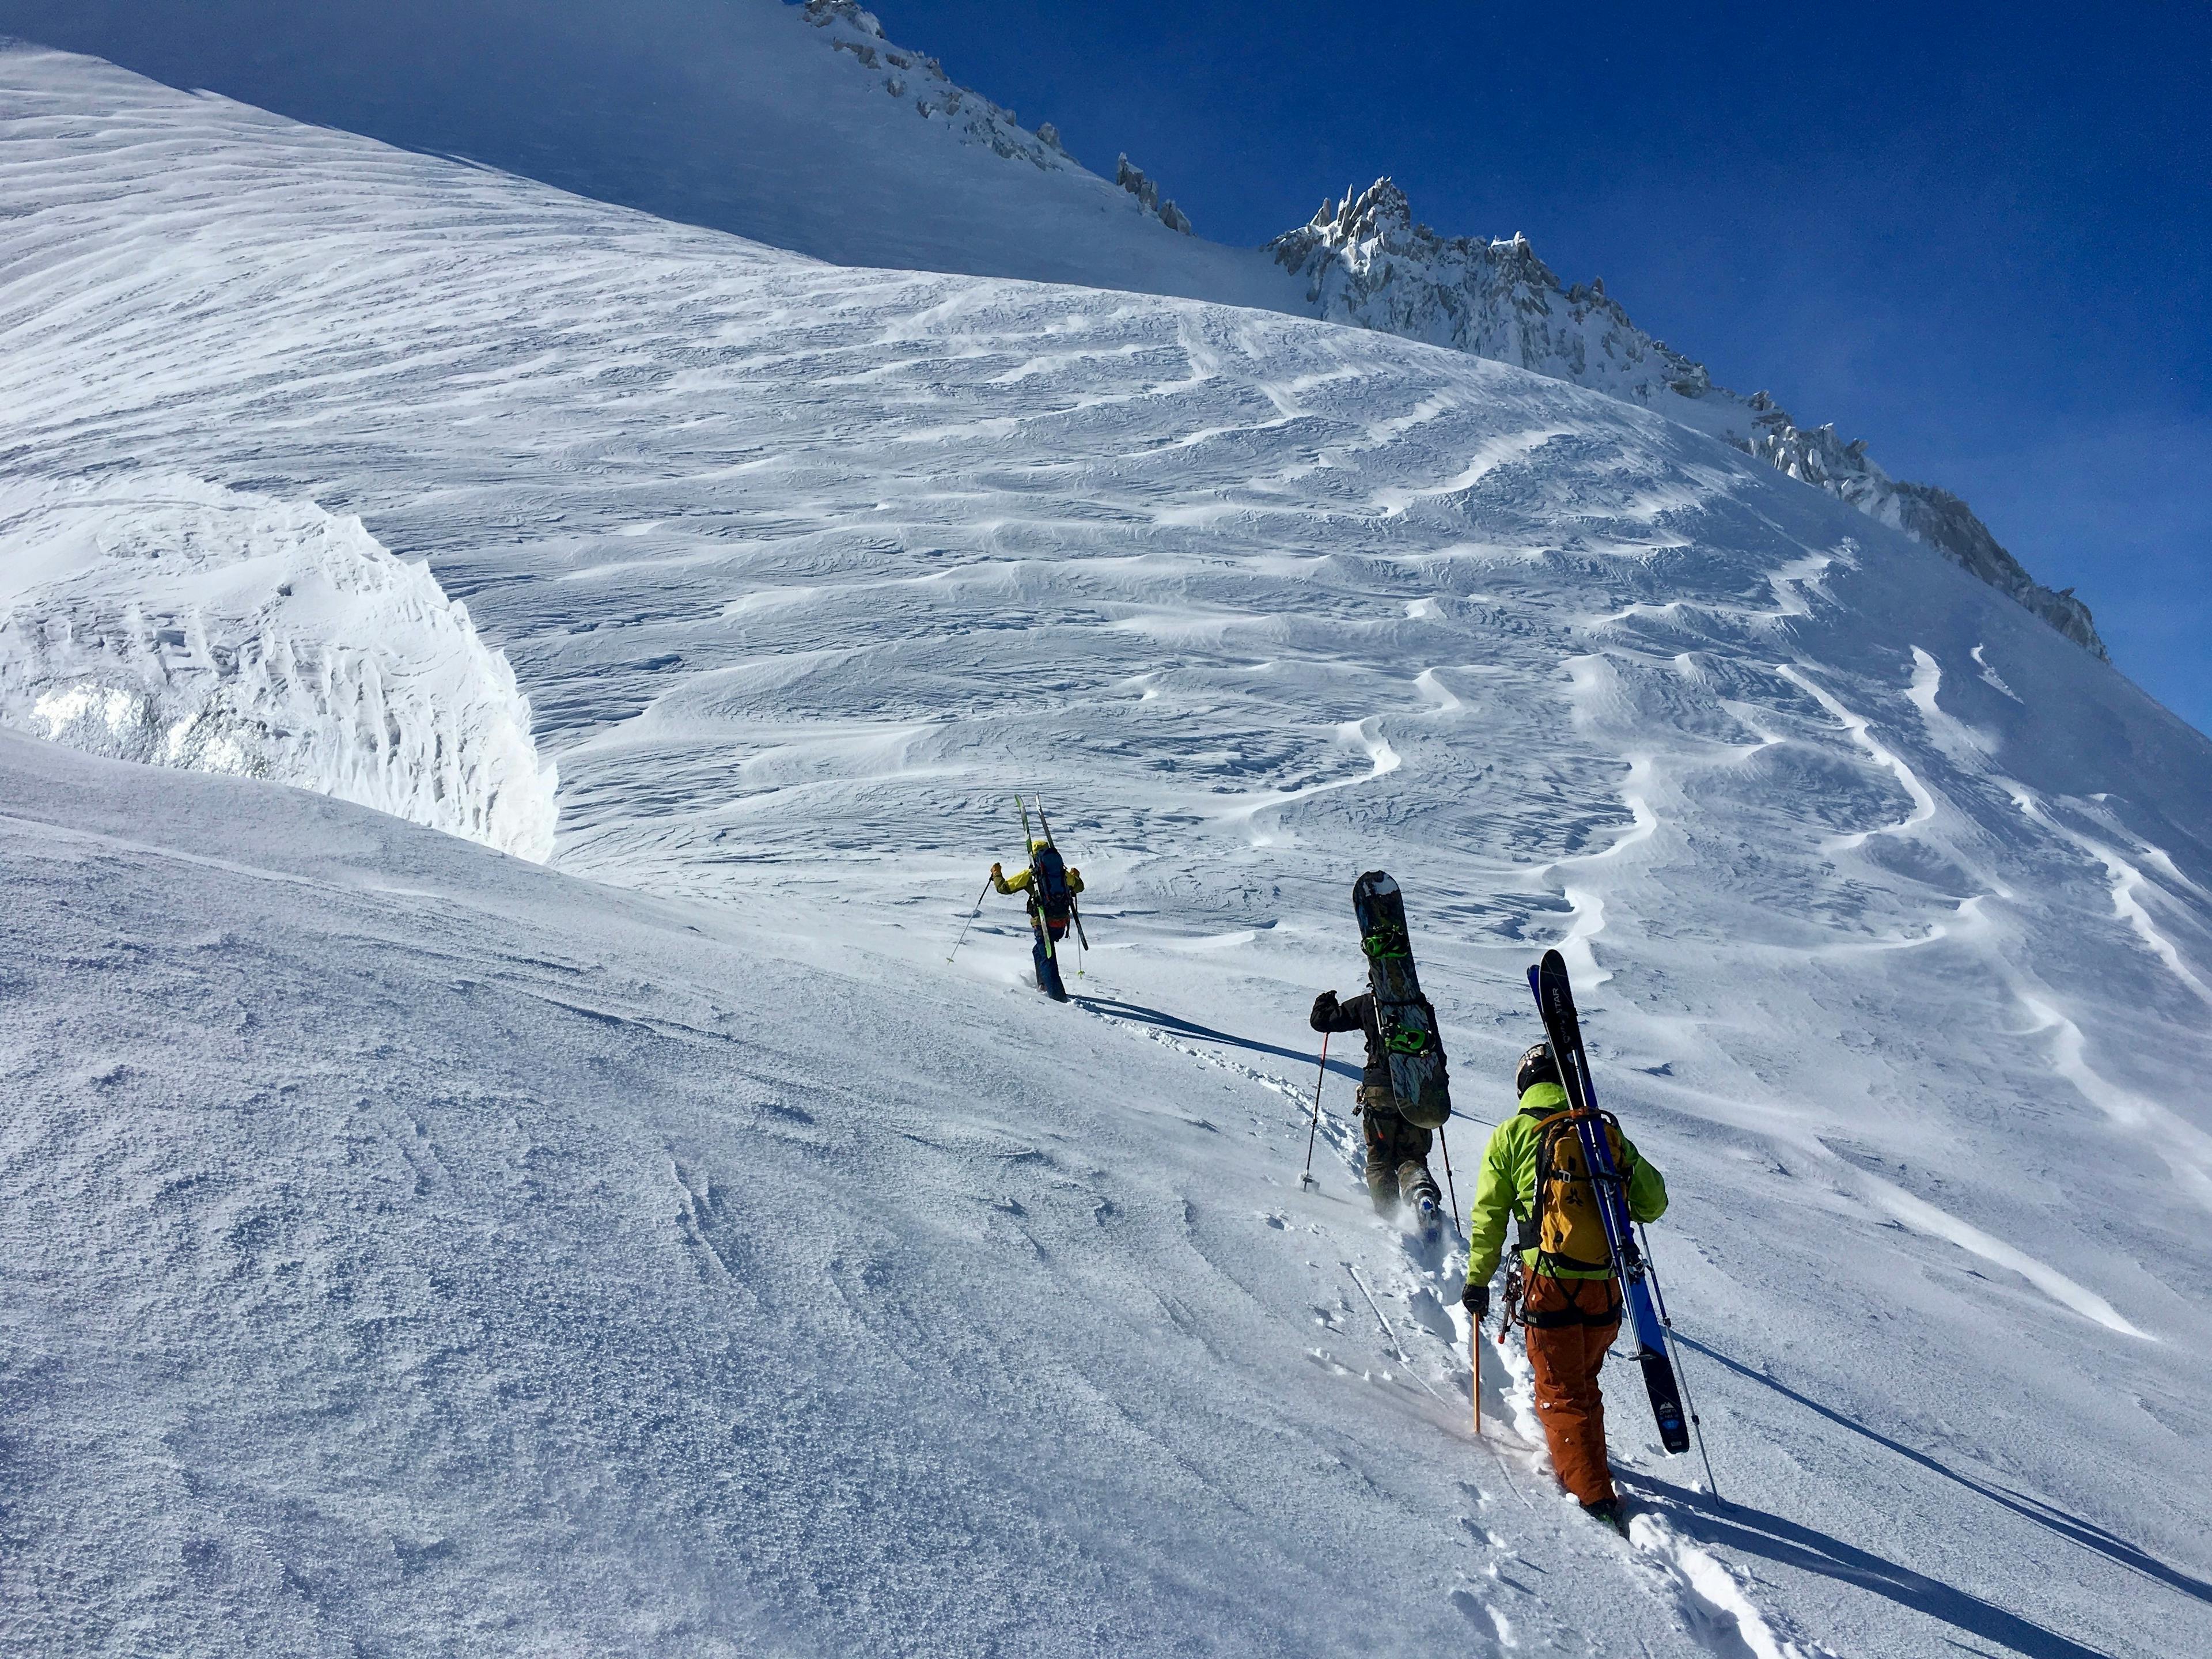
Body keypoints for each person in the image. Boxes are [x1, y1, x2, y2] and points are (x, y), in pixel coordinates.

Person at [1462, 1042, 1668, 1533]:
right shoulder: (1601, 1131)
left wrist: (1477, 1280)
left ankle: (1592, 1497)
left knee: (1562, 1390)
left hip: (1548, 1286)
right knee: (1583, 1382)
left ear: (1523, 1085)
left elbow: (1489, 1217)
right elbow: (1652, 1203)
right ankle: (1589, 1463)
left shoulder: (1512, 1135)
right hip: (1605, 1289)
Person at [1308, 988, 1444, 1220]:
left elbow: (1322, 1022)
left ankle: (1390, 1219)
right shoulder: (1420, 1006)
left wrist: (1324, 1003)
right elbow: (1438, 1053)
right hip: (1417, 1092)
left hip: (1380, 1091)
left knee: (1380, 1160)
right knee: (1412, 1156)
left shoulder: (1369, 1004)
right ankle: (1422, 1193)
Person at [991, 839, 1084, 1001]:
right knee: (1039, 952)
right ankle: (1044, 985)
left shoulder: (1031, 874)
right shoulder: (1062, 872)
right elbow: (1079, 887)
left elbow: (1004, 888)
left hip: (1043, 922)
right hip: (1061, 923)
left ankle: (1058, 998)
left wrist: (996, 873)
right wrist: (1074, 876)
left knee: (1048, 958)